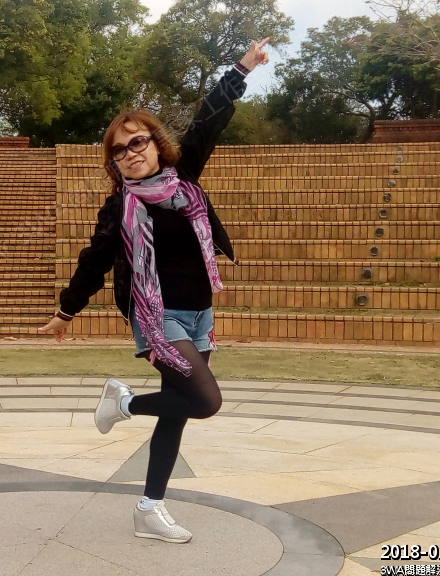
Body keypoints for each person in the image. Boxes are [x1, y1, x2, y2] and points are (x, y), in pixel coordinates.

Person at [38, 38, 270, 543]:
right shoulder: (118, 208)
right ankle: (123, 405)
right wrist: (66, 310)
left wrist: (241, 69)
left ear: (155, 143)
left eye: (137, 142)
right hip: (157, 318)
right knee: (204, 401)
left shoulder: (184, 178)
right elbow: (94, 261)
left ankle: (149, 509)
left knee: (177, 410)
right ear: (114, 162)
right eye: (119, 151)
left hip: (199, 315)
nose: (130, 154)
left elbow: (208, 123)